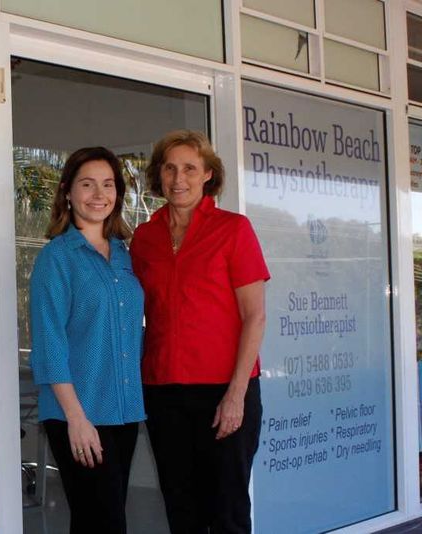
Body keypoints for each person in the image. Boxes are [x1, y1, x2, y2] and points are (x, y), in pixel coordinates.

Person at [130, 130, 269, 534]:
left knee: (227, 513)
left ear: (208, 174)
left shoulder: (233, 230)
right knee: (181, 510)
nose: (178, 178)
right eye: (170, 168)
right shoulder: (144, 238)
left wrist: (236, 395)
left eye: (190, 168)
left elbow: (255, 316)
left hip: (224, 391)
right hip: (164, 392)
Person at [29, 147, 145, 534]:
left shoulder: (125, 256)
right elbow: (49, 344)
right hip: (78, 413)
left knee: (101, 521)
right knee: (104, 522)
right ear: (67, 192)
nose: (99, 194)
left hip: (124, 411)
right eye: (87, 184)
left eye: (108, 184)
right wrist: (76, 419)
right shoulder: (57, 258)